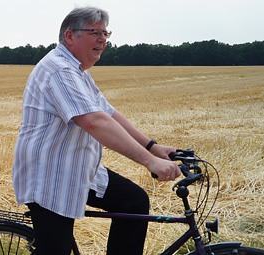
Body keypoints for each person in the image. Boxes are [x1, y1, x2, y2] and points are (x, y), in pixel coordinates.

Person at [12, 6, 181, 255]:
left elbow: (108, 114)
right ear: (70, 36)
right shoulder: (60, 70)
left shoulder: (78, 71)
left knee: (133, 202)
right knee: (55, 250)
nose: (102, 40)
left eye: (105, 33)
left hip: (78, 167)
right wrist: (150, 162)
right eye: (94, 32)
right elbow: (94, 122)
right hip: (50, 175)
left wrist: (153, 147)